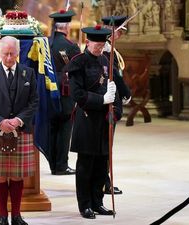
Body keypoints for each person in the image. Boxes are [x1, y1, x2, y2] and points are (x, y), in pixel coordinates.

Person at [0, 36, 39, 225]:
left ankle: (17, 216)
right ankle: (2, 216)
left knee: (16, 174)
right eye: (6, 54)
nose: (9, 58)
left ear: (18, 53)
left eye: (13, 54)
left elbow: (34, 101)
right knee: (0, 175)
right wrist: (0, 122)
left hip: (21, 130)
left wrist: (18, 120)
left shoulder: (28, 73)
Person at [65, 25, 122, 219]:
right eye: (96, 44)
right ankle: (85, 205)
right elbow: (77, 95)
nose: (99, 48)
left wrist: (115, 107)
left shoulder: (106, 61)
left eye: (102, 44)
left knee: (101, 164)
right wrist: (101, 99)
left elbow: (116, 90)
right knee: (85, 165)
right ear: (87, 42)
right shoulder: (78, 63)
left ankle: (98, 202)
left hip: (104, 121)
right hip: (87, 119)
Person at [101, 15, 132, 195]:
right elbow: (115, 76)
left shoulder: (109, 49)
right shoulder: (105, 51)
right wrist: (126, 93)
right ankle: (104, 182)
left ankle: (105, 181)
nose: (119, 35)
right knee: (105, 145)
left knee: (106, 145)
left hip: (112, 102)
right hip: (107, 104)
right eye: (119, 32)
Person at [47, 9, 80, 176]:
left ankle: (53, 163)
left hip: (48, 88)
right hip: (65, 89)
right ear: (66, 26)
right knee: (65, 127)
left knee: (52, 127)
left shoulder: (46, 43)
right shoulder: (71, 47)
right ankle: (61, 165)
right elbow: (78, 70)